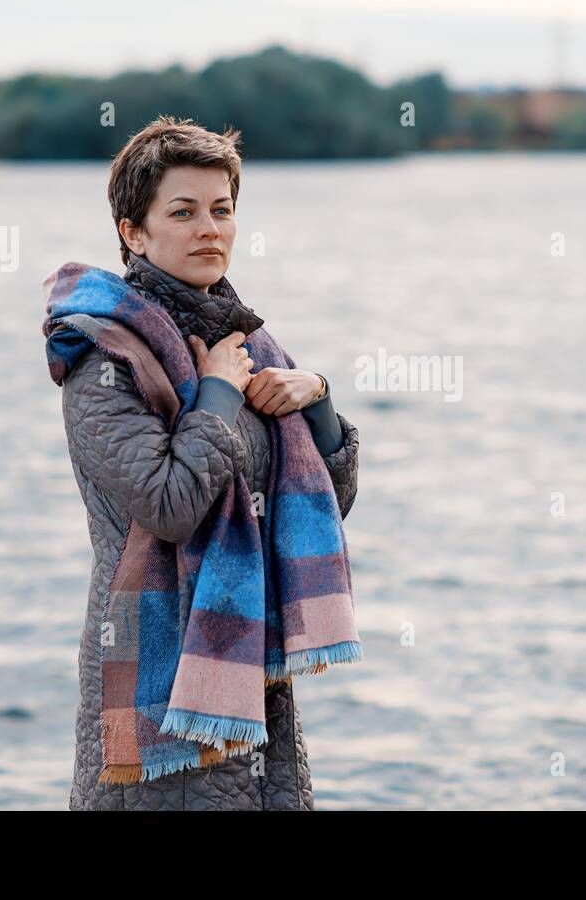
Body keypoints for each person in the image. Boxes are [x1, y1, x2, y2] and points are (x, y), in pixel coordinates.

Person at [55, 115, 359, 810]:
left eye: (221, 210)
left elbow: (328, 503)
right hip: (158, 674)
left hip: (248, 669)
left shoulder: (250, 341)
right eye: (184, 212)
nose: (209, 229)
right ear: (134, 231)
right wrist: (218, 392)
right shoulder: (105, 359)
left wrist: (315, 399)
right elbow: (170, 507)